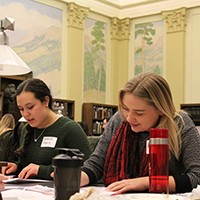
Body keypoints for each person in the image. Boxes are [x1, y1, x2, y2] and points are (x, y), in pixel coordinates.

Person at [80, 72, 200, 194]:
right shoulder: (118, 119)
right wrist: (73, 179)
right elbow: (95, 164)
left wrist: (145, 182)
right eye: (126, 109)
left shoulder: (180, 124)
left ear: (160, 109)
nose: (129, 118)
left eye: (139, 113)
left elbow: (197, 176)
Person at [2, 78, 91, 180]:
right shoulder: (25, 129)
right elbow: (27, 165)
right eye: (21, 109)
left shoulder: (69, 129)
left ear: (46, 101)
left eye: (30, 107)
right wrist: (16, 167)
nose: (25, 114)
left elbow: (88, 169)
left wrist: (42, 170)